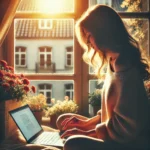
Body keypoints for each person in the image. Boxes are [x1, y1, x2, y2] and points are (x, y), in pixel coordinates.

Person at [56, 4, 150, 150]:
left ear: (102, 33)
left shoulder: (124, 66)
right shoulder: (113, 59)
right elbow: (111, 113)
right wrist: (85, 124)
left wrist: (85, 131)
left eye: (89, 36)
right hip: (113, 132)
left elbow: (125, 129)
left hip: (128, 143)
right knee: (62, 120)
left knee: (71, 144)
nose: (88, 43)